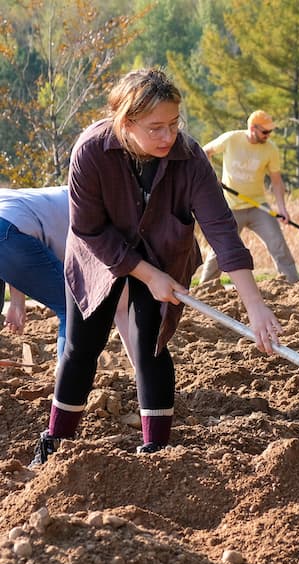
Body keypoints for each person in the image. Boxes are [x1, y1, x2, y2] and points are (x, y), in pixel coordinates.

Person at [32, 67, 284, 465]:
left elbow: (220, 228)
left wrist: (253, 304)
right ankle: (54, 445)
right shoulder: (91, 151)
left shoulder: (190, 157)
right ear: (126, 123)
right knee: (83, 345)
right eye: (155, 128)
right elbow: (88, 229)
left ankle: (156, 452)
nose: (168, 137)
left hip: (165, 251)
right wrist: (148, 275)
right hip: (99, 253)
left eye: (173, 124)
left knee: (151, 344)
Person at [0, 187, 134, 365]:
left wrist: (17, 301)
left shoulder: (56, 196)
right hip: (11, 235)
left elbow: (15, 225)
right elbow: (122, 307)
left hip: (12, 232)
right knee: (72, 310)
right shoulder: (104, 210)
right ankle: (66, 384)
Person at [197, 110, 299, 284]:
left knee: (278, 245)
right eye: (265, 131)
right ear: (252, 128)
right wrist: (210, 177)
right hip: (229, 208)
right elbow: (204, 152)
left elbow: (276, 181)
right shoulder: (231, 139)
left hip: (258, 207)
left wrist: (282, 209)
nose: (268, 135)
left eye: (270, 131)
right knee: (219, 250)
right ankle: (205, 289)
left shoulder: (270, 149)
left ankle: (294, 286)